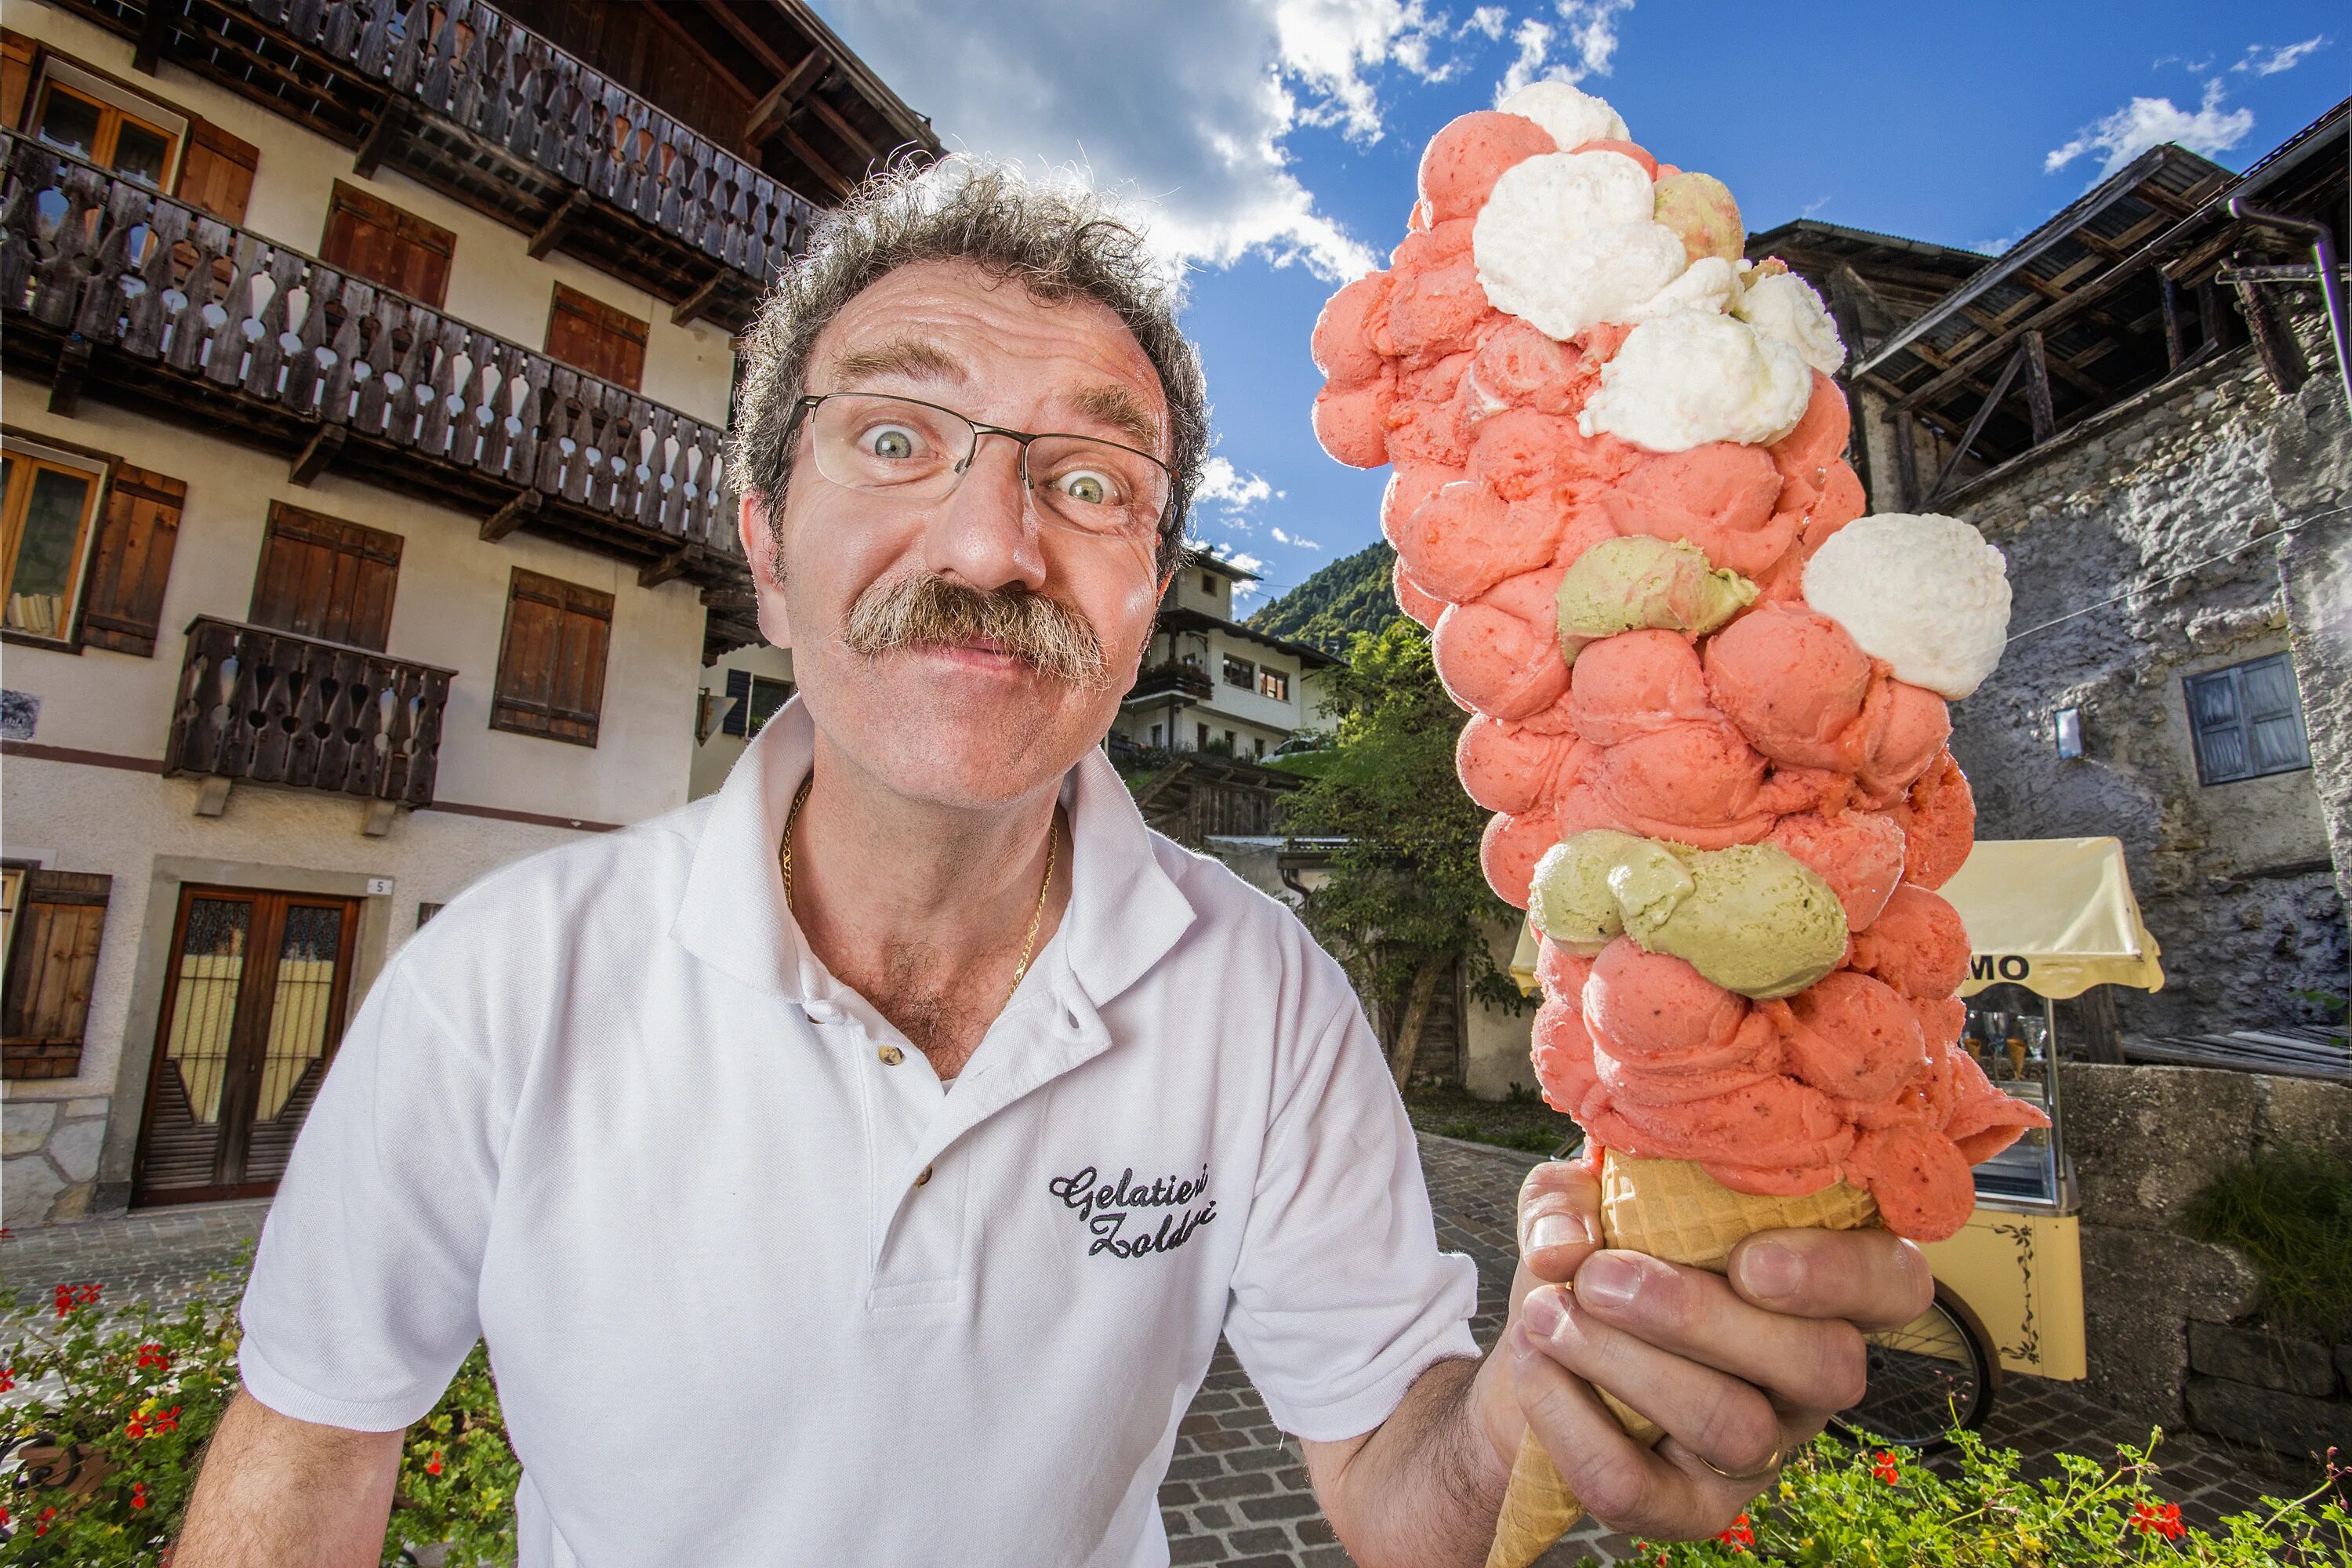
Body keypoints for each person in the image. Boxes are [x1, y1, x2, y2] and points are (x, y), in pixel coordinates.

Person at [177, 158, 1931, 1567]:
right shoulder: (500, 981)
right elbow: (314, 1444)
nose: (992, 540)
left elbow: (1405, 1497)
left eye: (1092, 479)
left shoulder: (1267, 1001)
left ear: (1148, 590)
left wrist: (1541, 1389)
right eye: (892, 437)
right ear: (764, 550)